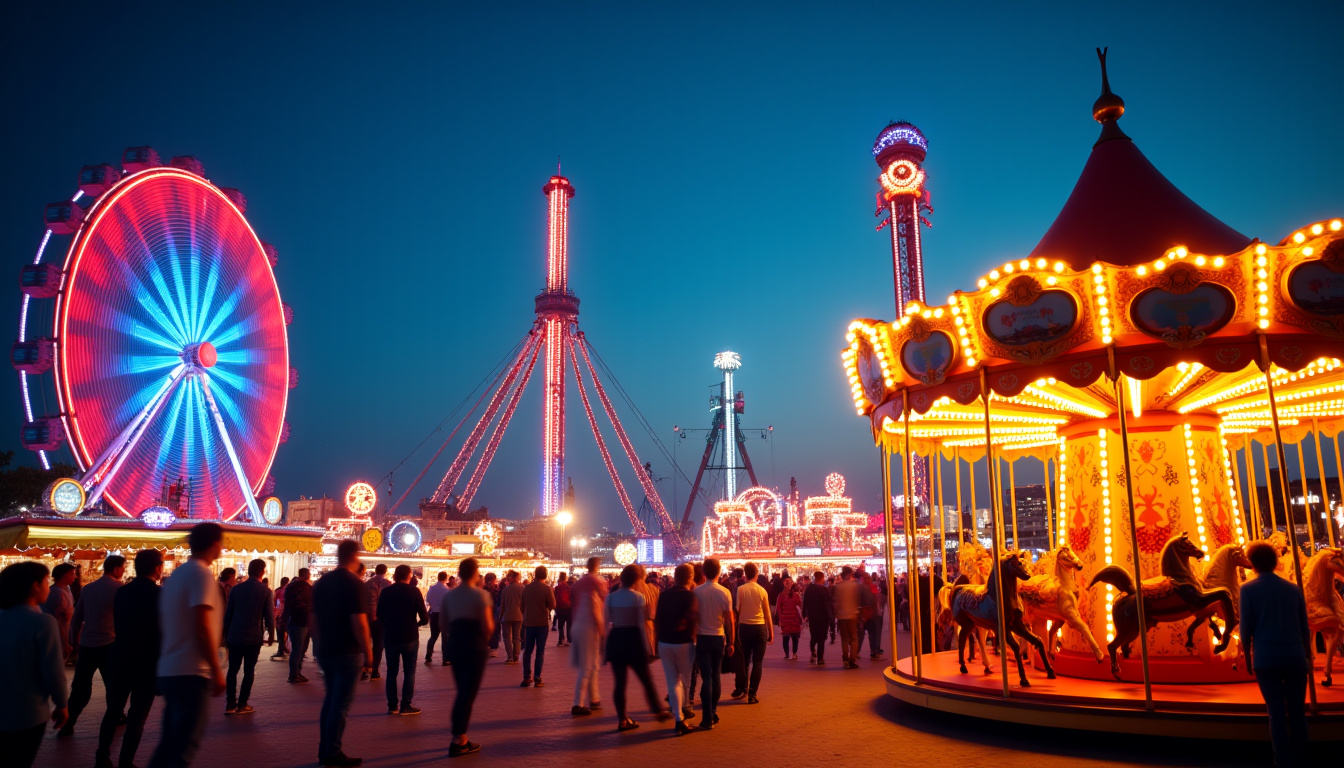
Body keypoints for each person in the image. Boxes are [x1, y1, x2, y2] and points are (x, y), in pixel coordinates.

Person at [148, 523, 225, 768]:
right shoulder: (201, 574)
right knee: (182, 749)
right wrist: (215, 668)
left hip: (171, 668)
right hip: (191, 672)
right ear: (214, 544)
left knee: (169, 746)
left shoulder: (177, 575)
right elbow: (200, 623)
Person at [1241, 540, 1312, 766]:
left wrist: (1247, 655)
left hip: (1266, 658)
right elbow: (1304, 626)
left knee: (1277, 713)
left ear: (1252, 564)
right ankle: (1302, 758)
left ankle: (1282, 760)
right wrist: (1307, 654)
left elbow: (1246, 629)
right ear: (1275, 561)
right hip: (1294, 657)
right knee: (1297, 712)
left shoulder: (1248, 589)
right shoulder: (1293, 589)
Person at [95, 549, 162, 768]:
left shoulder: (123, 592)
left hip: (120, 656)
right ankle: (126, 761)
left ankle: (102, 757)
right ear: (157, 568)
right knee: (137, 717)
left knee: (113, 711)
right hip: (147, 663)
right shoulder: (160, 595)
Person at [311, 540, 373, 767]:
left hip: (326, 650)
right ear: (354, 556)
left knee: (330, 701)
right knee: (340, 705)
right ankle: (332, 752)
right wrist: (368, 651)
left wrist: (318, 646)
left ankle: (324, 749)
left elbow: (313, 619)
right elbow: (359, 621)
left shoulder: (321, 583)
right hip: (348, 651)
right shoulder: (354, 584)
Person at [0, 561, 68, 768]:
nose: (49, 586)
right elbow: (53, 671)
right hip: (28, 711)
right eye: (46, 581)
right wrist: (62, 704)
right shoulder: (42, 622)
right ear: (34, 586)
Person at [64, 554, 126, 736]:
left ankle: (69, 722)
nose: (123, 571)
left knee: (80, 687)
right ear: (116, 569)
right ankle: (116, 715)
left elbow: (77, 618)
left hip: (87, 645)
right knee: (113, 685)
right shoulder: (120, 589)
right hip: (110, 644)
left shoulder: (88, 589)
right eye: (123, 567)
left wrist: (74, 640)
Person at [605, 566, 667, 731]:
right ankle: (657, 710)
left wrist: (604, 646)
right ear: (636, 579)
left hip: (616, 638)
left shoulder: (611, 598)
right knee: (646, 679)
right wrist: (647, 646)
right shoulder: (639, 597)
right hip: (633, 639)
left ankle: (622, 719)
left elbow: (606, 622)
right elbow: (641, 623)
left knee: (620, 683)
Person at [441, 557, 492, 758]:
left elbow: (443, 625)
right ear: (475, 572)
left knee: (462, 690)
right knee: (467, 693)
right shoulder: (481, 595)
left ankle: (459, 735)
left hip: (455, 644)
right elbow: (488, 626)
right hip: (474, 645)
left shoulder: (449, 596)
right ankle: (458, 739)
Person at [222, 558, 274, 715]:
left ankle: (230, 704)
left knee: (232, 669)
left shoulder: (236, 589)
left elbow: (228, 615)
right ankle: (243, 704)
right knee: (249, 670)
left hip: (235, 635)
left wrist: (225, 635)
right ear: (261, 571)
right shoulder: (265, 591)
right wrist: (271, 635)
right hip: (253, 637)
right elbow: (269, 617)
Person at [378, 564, 429, 715]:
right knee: (409, 672)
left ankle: (392, 705)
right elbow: (425, 617)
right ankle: (406, 704)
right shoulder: (414, 592)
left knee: (391, 671)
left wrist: (387, 626)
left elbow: (379, 615)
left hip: (391, 636)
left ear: (395, 575)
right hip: (410, 636)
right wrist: (416, 624)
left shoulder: (386, 592)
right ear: (409, 576)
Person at [656, 563, 699, 735]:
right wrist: (694, 638)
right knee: (686, 680)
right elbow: (694, 619)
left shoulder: (664, 595)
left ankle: (678, 718)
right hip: (684, 642)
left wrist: (656, 642)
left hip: (665, 642)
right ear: (690, 577)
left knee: (672, 681)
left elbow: (658, 619)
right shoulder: (690, 596)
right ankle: (685, 708)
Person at [694, 558, 735, 730]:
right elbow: (730, 620)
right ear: (719, 572)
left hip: (701, 638)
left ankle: (706, 716)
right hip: (718, 638)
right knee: (716, 676)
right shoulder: (724, 592)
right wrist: (731, 642)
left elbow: (693, 618)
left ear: (703, 573)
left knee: (706, 678)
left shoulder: (696, 592)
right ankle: (713, 709)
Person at [570, 557, 608, 716]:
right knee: (588, 666)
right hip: (589, 628)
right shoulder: (596, 585)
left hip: (578, 626)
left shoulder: (579, 583)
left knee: (592, 665)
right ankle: (578, 703)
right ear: (597, 566)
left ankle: (595, 698)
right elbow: (596, 611)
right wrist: (603, 631)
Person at [735, 562, 772, 704]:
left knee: (745, 660)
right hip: (760, 627)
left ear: (745, 574)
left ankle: (743, 687)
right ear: (756, 574)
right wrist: (771, 631)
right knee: (758, 662)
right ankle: (752, 693)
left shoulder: (740, 590)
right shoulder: (762, 591)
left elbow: (737, 610)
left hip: (744, 627)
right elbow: (767, 613)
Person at [520, 565, 556, 687]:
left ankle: (526, 676)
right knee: (540, 652)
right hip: (542, 623)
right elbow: (552, 605)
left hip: (529, 623)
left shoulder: (527, 588)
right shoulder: (547, 589)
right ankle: (537, 677)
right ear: (545, 575)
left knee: (527, 651)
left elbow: (522, 605)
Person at [283, 568, 314, 682]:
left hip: (295, 621)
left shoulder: (291, 587)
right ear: (305, 574)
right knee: (299, 648)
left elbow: (287, 603)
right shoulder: (306, 588)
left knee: (298, 648)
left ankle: (296, 672)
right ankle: (294, 673)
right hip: (302, 621)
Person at [42, 562, 76, 663]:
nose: (75, 576)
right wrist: (65, 643)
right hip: (57, 637)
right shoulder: (58, 593)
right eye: (73, 573)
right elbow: (61, 620)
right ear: (65, 575)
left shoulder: (65, 590)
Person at [365, 563, 391, 681]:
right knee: (378, 645)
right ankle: (375, 670)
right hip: (381, 619)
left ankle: (365, 668)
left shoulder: (367, 583)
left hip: (367, 618)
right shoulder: (388, 584)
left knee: (366, 643)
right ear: (385, 571)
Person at [802, 570, 832, 665]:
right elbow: (828, 605)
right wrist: (831, 616)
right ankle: (820, 658)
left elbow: (805, 602)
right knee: (821, 638)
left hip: (813, 616)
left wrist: (804, 614)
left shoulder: (809, 589)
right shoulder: (825, 590)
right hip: (823, 617)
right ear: (822, 578)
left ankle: (813, 652)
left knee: (814, 636)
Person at [499, 570, 525, 665]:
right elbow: (524, 604)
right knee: (516, 637)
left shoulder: (505, 590)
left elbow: (502, 605)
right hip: (518, 616)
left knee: (507, 638)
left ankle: (510, 656)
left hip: (507, 616)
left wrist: (500, 616)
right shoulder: (522, 588)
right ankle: (516, 655)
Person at [425, 571, 450, 665]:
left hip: (434, 613)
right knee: (445, 637)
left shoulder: (431, 589)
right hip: (443, 614)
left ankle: (428, 655)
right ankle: (446, 659)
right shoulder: (446, 590)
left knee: (433, 636)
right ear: (445, 578)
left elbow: (428, 600)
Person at [777, 577, 802, 660]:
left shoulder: (781, 596)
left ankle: (787, 654)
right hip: (793, 619)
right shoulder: (796, 595)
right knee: (794, 638)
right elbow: (800, 606)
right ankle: (793, 653)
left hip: (786, 619)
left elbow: (779, 609)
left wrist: (780, 619)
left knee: (786, 638)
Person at [272, 576, 290, 660]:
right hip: (282, 614)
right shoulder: (285, 591)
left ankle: (281, 649)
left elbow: (275, 603)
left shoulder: (277, 590)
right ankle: (282, 649)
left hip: (278, 614)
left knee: (280, 633)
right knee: (283, 633)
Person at [554, 572, 572, 647]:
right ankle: (569, 640)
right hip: (568, 608)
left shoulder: (557, 588)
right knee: (569, 624)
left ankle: (560, 641)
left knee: (560, 625)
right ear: (566, 578)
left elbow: (555, 597)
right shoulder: (568, 587)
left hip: (560, 608)